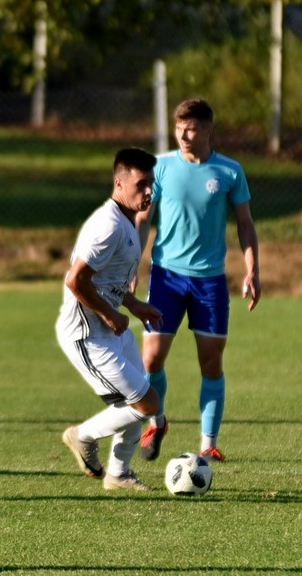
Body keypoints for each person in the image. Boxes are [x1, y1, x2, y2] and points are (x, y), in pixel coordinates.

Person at [135, 98, 260, 464]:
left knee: (211, 363)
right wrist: (131, 268)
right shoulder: (159, 167)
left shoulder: (229, 172)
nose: (184, 135)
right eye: (179, 128)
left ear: (208, 130)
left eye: (191, 128)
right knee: (152, 359)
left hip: (209, 282)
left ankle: (208, 443)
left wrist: (252, 268)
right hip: (165, 277)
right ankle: (157, 423)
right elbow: (143, 221)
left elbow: (245, 223)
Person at [57, 147, 165, 491]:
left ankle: (118, 474)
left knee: (137, 403)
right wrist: (110, 314)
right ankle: (82, 436)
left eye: (152, 184)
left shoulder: (127, 222)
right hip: (87, 334)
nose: (148, 191)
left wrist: (132, 305)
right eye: (142, 183)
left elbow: (108, 281)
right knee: (146, 402)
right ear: (119, 183)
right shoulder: (108, 226)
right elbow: (75, 280)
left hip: (111, 328)